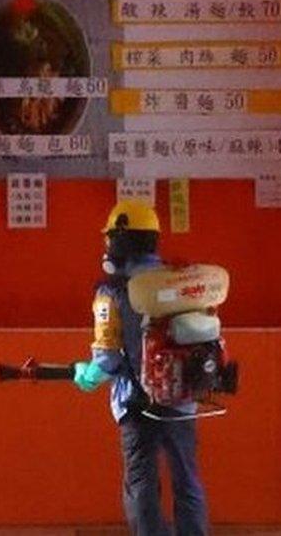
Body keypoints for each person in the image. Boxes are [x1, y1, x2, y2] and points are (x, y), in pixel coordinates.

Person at [72, 200, 209, 536]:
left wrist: (88, 374)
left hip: (136, 404)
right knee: (187, 479)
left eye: (109, 240)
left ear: (120, 241)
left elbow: (108, 359)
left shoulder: (112, 291)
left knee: (142, 484)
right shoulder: (180, 281)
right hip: (183, 397)